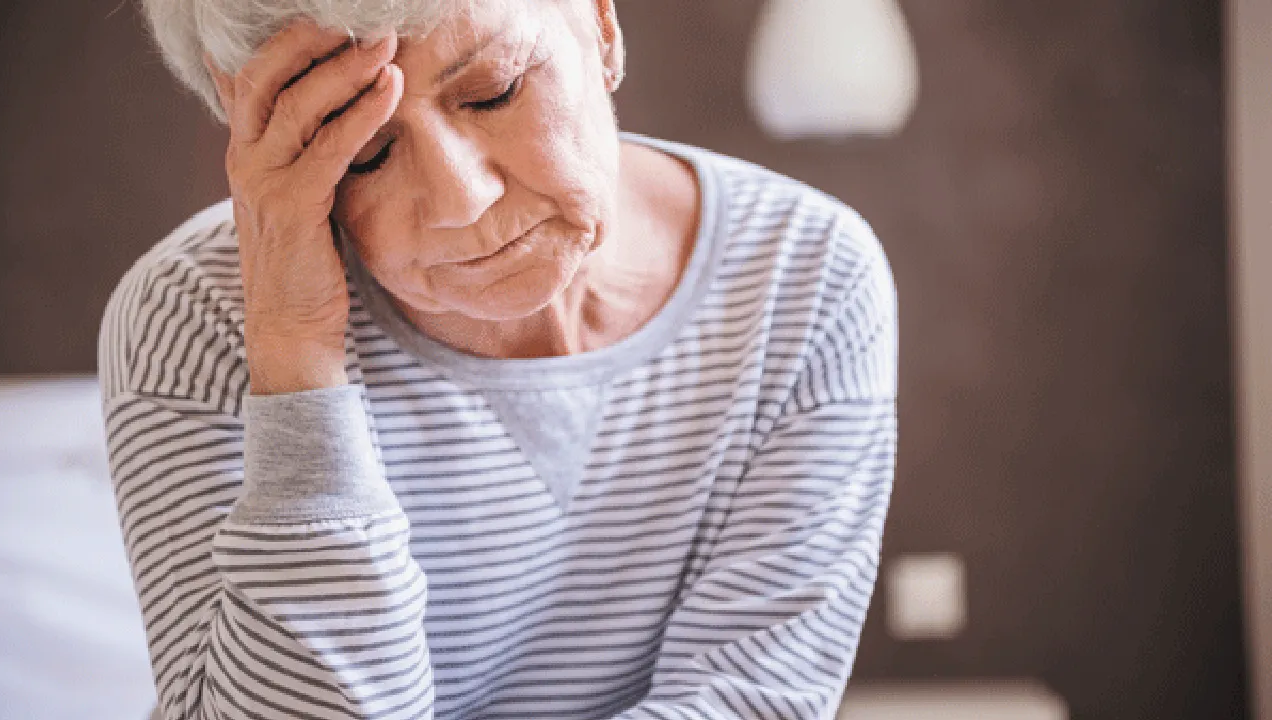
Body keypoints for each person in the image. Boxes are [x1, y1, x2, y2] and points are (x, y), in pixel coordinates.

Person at [98, 1, 899, 718]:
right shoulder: (193, 319)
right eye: (363, 154)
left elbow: (751, 700)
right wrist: (295, 350)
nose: (461, 200)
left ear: (602, 23)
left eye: (493, 91)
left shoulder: (807, 275)